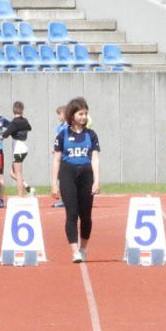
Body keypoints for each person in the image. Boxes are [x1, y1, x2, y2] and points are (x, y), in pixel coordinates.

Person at [51, 97, 99, 263]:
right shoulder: (62, 134)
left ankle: (83, 248)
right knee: (71, 214)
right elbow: (56, 159)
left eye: (86, 113)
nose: (84, 117)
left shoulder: (91, 135)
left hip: (86, 174)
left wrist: (97, 180)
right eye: (80, 114)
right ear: (72, 115)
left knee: (86, 215)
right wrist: (54, 184)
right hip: (67, 174)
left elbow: (95, 158)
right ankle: (74, 251)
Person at [1, 101, 33, 197]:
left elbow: (4, 135)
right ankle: (29, 188)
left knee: (18, 174)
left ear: (13, 110)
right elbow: (29, 128)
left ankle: (20, 196)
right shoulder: (25, 121)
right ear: (22, 110)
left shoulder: (14, 123)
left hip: (18, 149)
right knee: (12, 173)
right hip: (23, 148)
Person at [52, 105, 67, 208]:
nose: (58, 116)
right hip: (59, 155)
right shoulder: (59, 127)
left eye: (59, 114)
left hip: (66, 155)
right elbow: (57, 140)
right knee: (61, 178)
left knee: (66, 178)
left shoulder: (69, 127)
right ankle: (63, 199)